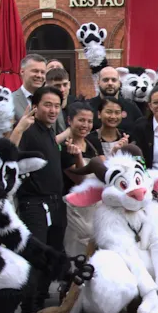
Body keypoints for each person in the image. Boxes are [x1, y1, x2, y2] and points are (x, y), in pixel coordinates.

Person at [8, 85, 69, 313]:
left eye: (56, 105)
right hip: (35, 204)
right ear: (35, 106)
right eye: (47, 105)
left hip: (56, 203)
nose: (53, 110)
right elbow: (8, 153)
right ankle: (27, 311)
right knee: (35, 258)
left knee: (50, 256)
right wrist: (20, 127)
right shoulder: (29, 130)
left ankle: (40, 306)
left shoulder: (47, 131)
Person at [61, 102, 101, 259]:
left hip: (95, 206)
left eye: (89, 121)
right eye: (81, 120)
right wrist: (78, 157)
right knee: (76, 251)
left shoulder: (94, 143)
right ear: (70, 121)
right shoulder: (64, 148)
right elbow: (82, 181)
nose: (85, 125)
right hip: (74, 208)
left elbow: (102, 171)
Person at [95, 66, 143, 130]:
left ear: (119, 83)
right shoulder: (88, 106)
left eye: (114, 80)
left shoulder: (131, 106)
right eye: (105, 80)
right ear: (98, 83)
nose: (110, 83)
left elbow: (142, 129)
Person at [12, 53, 47, 124]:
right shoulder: (10, 101)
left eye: (42, 72)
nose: (39, 75)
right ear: (22, 72)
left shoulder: (51, 100)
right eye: (35, 71)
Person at [47, 67, 72, 133]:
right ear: (48, 87)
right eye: (57, 86)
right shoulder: (44, 111)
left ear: (69, 85)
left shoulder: (78, 107)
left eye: (65, 84)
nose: (62, 89)